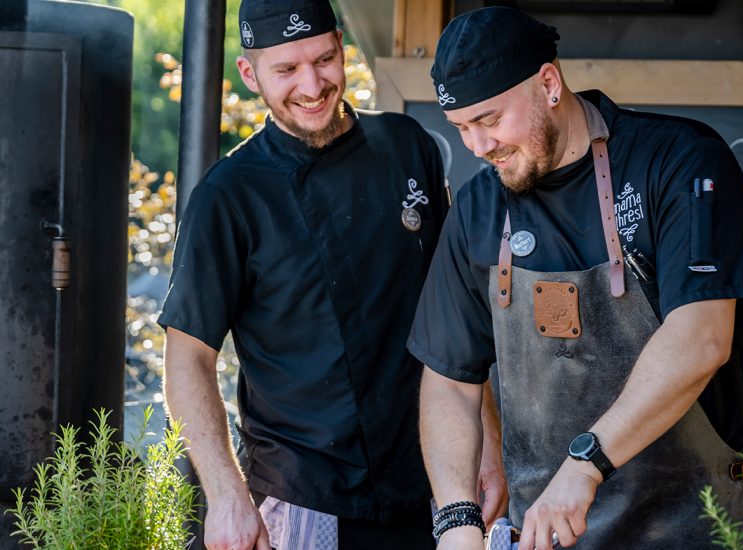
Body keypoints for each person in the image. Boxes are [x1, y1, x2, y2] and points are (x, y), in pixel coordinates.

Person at [409, 7, 743, 550]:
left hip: (696, 524)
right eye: (461, 129)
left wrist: (585, 465)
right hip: (546, 534)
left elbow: (700, 338)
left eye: (489, 120)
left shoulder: (679, 161)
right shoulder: (478, 210)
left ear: (548, 84)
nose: (478, 148)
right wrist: (456, 518)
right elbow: (450, 380)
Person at [159, 1, 507, 549]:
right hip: (305, 497)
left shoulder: (408, 147)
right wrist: (226, 495)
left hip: (432, 480)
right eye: (286, 69)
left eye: (323, 59)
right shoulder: (228, 196)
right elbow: (187, 359)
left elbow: (456, 316)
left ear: (342, 47)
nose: (312, 84)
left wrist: (487, 442)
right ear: (250, 75)